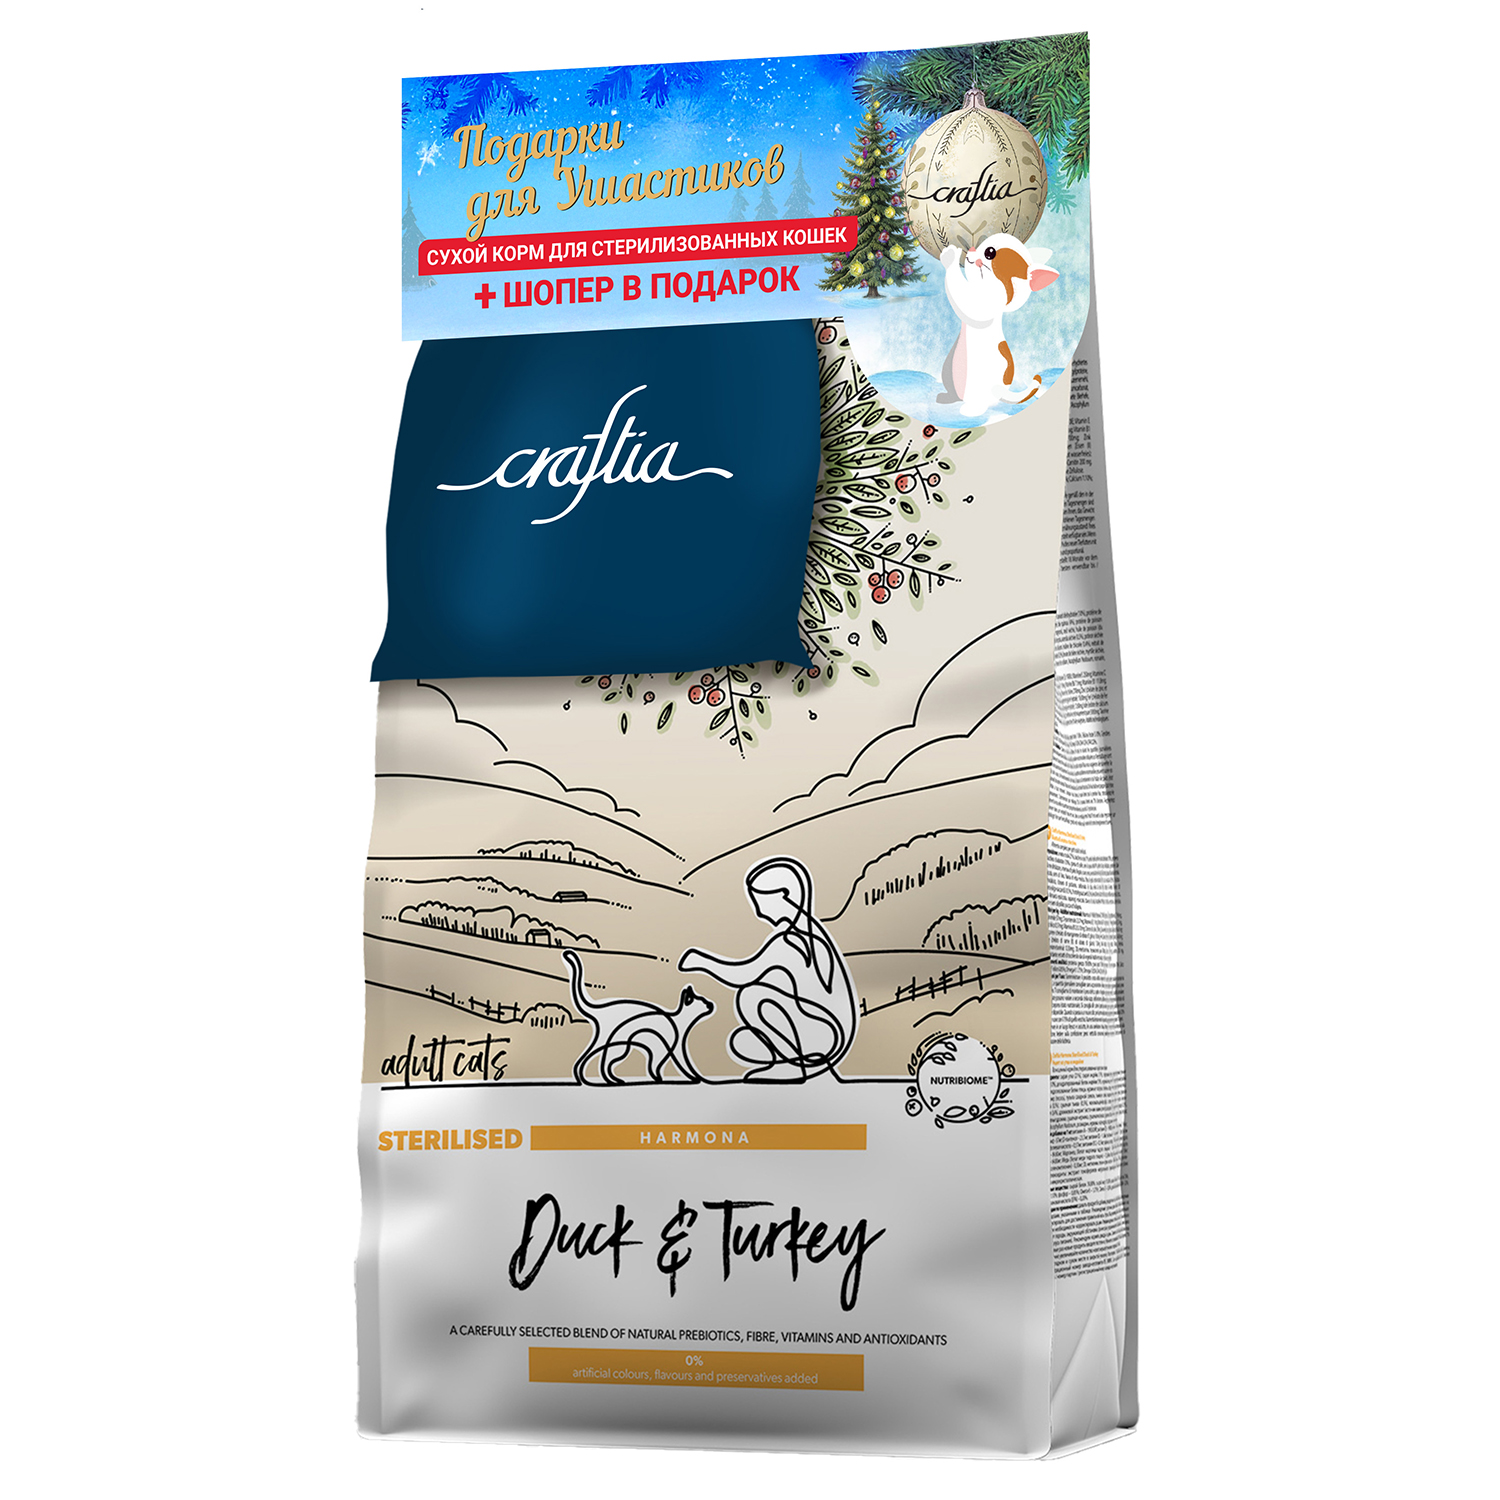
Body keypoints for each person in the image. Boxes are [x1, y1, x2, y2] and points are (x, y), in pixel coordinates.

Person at [679, 858, 858, 1081]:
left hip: (828, 1036)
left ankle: (798, 1068)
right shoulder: (809, 930)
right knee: (741, 1041)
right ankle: (801, 1061)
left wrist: (702, 962)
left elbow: (743, 974)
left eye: (760, 901)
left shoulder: (791, 940)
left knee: (751, 996)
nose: (759, 912)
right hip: (827, 1030)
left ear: (784, 895)